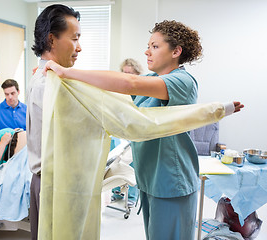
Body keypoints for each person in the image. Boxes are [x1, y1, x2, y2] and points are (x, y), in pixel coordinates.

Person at [43, 20, 244, 240]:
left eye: (155, 46)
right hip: (150, 179)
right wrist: (57, 78)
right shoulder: (152, 79)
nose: (147, 51)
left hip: (171, 181)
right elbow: (112, 90)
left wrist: (66, 72)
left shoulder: (183, 81)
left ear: (176, 51)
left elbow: (129, 83)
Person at [26, 4, 81, 240]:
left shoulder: (51, 79)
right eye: (75, 38)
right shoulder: (46, 85)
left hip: (54, 182)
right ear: (52, 39)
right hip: (53, 185)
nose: (80, 47)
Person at [111, 58, 143, 207]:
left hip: (136, 132)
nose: (125, 75)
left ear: (137, 74)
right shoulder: (119, 90)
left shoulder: (142, 91)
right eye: (123, 72)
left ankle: (131, 195)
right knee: (115, 161)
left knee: (133, 163)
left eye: (129, 73)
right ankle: (116, 191)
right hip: (120, 130)